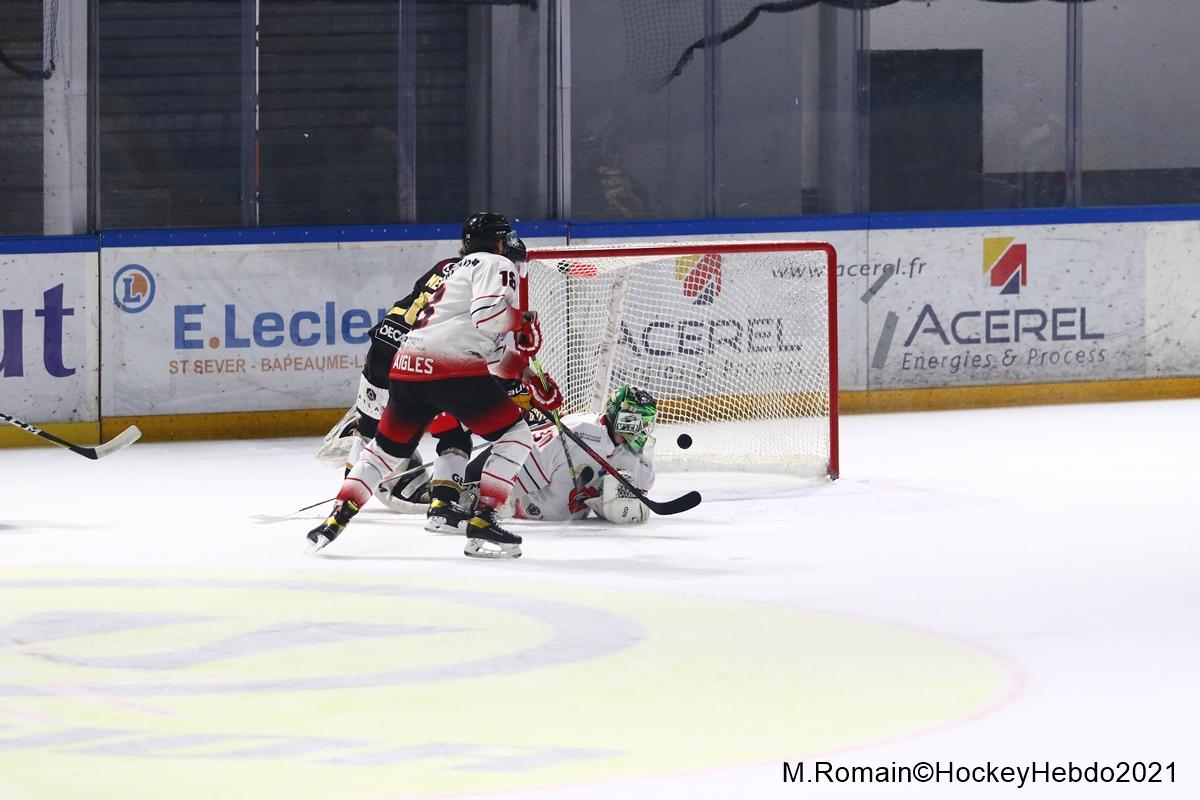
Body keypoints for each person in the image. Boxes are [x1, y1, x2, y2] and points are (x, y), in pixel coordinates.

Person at [306, 212, 563, 558]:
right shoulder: (496, 263)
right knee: (516, 438)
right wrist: (522, 320)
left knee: (383, 452)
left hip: (407, 365)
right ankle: (484, 519)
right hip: (450, 368)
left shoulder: (453, 270)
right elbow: (486, 318)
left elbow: (483, 347)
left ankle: (334, 521)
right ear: (500, 243)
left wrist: (526, 375)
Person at [441, 385, 658, 525]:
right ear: (624, 419)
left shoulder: (629, 455)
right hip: (521, 509)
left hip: (564, 526)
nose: (645, 429)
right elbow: (520, 461)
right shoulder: (578, 433)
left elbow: (640, 486)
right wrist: (486, 500)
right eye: (642, 422)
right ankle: (435, 486)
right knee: (457, 493)